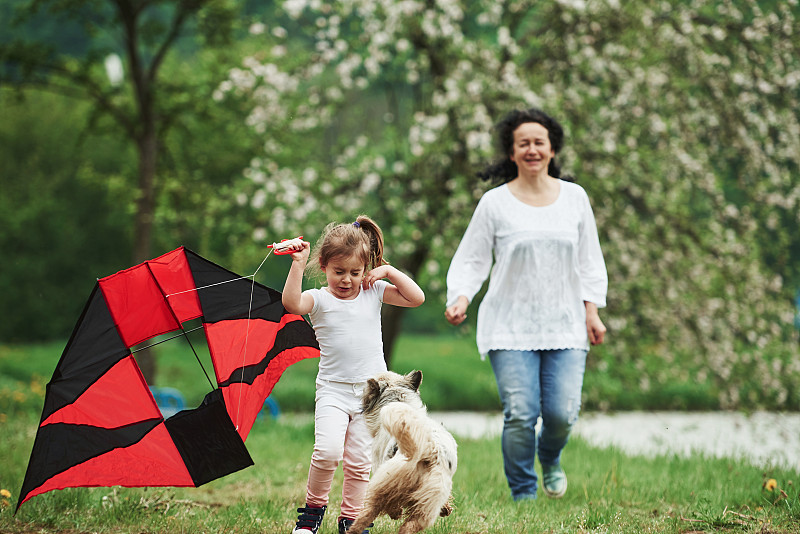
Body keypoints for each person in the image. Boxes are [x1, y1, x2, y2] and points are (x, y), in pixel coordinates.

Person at [444, 108, 608, 502]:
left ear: (552, 150)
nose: (532, 149)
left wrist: (592, 311)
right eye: (524, 144)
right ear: (512, 153)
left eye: (539, 142)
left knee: (561, 414)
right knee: (520, 413)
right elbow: (472, 258)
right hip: (509, 325)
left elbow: (589, 261)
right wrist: (461, 296)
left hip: (565, 324)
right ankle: (524, 495)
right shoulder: (494, 203)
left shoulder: (575, 198)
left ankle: (549, 457)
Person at [282, 215, 425, 534]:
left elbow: (417, 298)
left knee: (360, 461)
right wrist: (297, 264)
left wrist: (387, 271)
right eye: (339, 272)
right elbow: (292, 303)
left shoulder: (372, 292)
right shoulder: (319, 299)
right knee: (327, 451)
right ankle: (313, 511)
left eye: (355, 272)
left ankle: (351, 519)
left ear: (366, 269)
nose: (347, 279)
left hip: (370, 398)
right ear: (324, 266)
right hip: (332, 391)